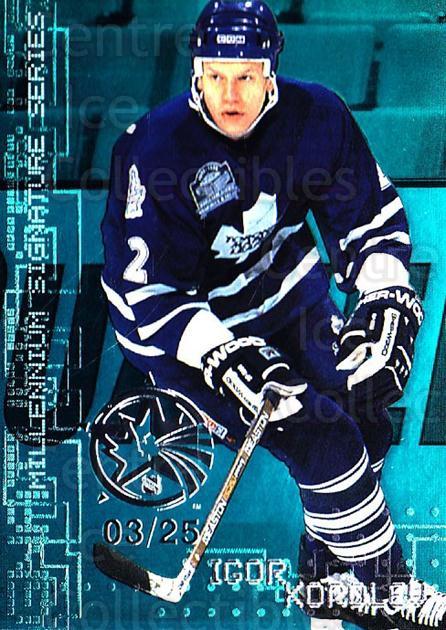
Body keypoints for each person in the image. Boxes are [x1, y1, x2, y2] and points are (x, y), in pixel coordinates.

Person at [100, 1, 444, 627]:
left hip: (285, 298)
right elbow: (145, 294)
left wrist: (382, 296)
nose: (230, 95)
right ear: (196, 72)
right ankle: (390, 589)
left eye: (246, 75)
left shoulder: (316, 117)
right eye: (216, 75)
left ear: (270, 72)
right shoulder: (155, 150)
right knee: (323, 439)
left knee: (365, 415)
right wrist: (222, 354)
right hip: (185, 338)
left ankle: (327, 586)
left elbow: (367, 218)